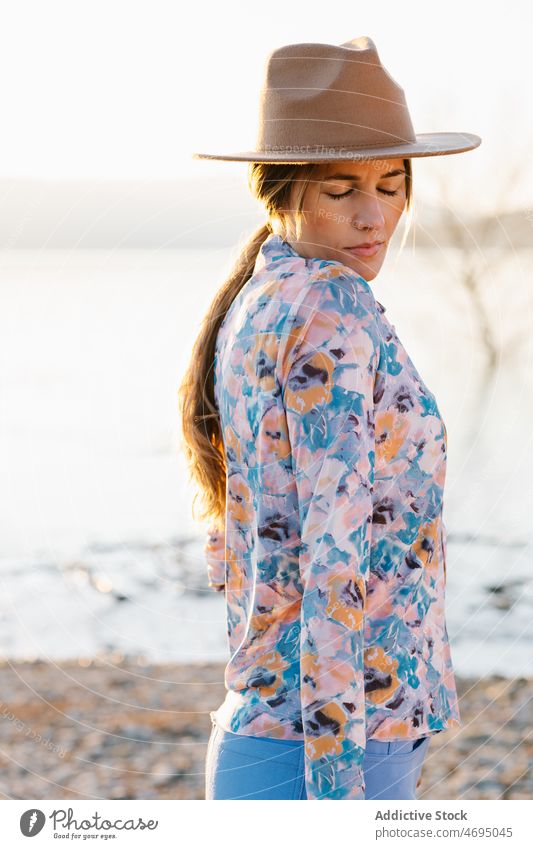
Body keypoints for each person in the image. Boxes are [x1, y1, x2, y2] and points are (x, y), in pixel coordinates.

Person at [179, 36, 481, 800]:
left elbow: (245, 540)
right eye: (341, 190)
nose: (374, 214)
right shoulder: (330, 307)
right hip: (336, 739)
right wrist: (339, 792)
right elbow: (333, 559)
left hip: (276, 725)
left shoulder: (259, 294)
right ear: (277, 190)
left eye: (390, 183)